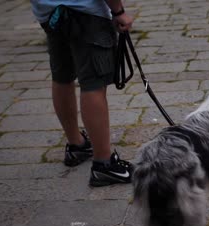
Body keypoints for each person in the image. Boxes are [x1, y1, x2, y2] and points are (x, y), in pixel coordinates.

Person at [30, 0, 134, 187]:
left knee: (62, 76)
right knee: (94, 83)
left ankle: (76, 144)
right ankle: (104, 163)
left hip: (47, 11)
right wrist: (119, 11)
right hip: (85, 11)